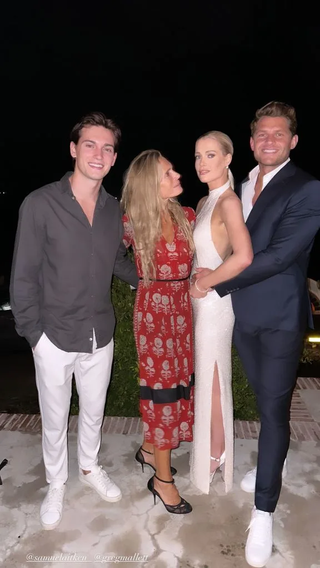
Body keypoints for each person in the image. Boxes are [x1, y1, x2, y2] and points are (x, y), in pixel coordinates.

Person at [195, 102, 320, 567]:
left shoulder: (307, 188)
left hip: (280, 317)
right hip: (239, 317)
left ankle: (264, 509)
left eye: (279, 133)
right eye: (261, 133)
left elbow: (277, 256)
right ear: (250, 143)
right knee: (264, 400)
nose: (269, 140)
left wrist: (214, 281)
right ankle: (277, 457)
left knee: (273, 409)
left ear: (292, 141)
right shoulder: (240, 186)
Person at [10, 112, 138, 530]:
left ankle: (88, 467)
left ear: (114, 157)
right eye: (90, 145)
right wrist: (35, 336)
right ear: (73, 149)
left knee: (94, 412)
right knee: (53, 415)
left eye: (107, 148)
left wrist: (157, 279)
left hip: (100, 332)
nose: (98, 154)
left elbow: (119, 262)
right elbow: (23, 276)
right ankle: (56, 483)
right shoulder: (40, 203)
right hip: (53, 336)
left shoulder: (114, 210)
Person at [121, 149, 195, 514]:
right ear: (151, 184)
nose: (177, 174)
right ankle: (162, 481)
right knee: (162, 394)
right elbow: (101, 255)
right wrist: (140, 280)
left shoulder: (187, 216)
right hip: (153, 317)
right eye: (168, 173)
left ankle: (151, 449)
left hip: (182, 312)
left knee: (177, 386)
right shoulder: (133, 222)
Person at [189, 132, 253, 494]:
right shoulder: (204, 201)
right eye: (198, 156)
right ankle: (216, 449)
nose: (201, 163)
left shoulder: (228, 201)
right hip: (201, 301)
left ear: (228, 158)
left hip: (214, 304)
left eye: (210, 155)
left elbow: (244, 256)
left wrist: (206, 282)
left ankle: (216, 453)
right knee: (209, 380)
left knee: (213, 382)